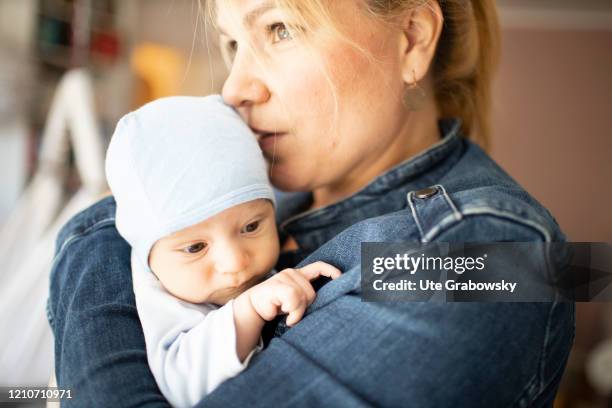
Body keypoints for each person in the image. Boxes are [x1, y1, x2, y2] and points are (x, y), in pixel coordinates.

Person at [47, 0, 575, 406]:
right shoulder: (263, 201)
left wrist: (103, 231)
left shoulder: (495, 252)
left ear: (411, 38)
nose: (234, 89)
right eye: (233, 44)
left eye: (280, 28)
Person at [104, 95, 341, 407]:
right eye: (195, 247)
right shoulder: (159, 295)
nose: (235, 262)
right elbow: (182, 384)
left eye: (252, 227)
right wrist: (248, 310)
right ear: (148, 257)